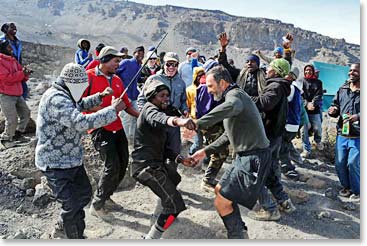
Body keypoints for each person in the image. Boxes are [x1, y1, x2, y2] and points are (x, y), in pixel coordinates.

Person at [35, 62, 127, 239]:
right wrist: (112, 110)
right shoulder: (56, 99)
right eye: (81, 86)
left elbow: (80, 104)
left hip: (71, 160)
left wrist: (100, 96)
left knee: (84, 195)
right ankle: (73, 236)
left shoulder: (65, 93)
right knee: (72, 205)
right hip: (55, 163)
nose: (83, 89)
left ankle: (64, 227)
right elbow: (80, 122)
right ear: (72, 83)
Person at [191, 65, 272, 239]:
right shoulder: (233, 97)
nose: (210, 91)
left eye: (211, 86)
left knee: (222, 201)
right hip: (246, 156)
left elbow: (232, 106)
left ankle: (238, 236)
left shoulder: (234, 97)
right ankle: (239, 232)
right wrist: (204, 151)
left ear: (222, 83)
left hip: (253, 157)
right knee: (219, 191)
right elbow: (228, 135)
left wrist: (196, 124)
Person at [131, 80, 196, 239]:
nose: (166, 98)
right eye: (161, 96)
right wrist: (180, 121)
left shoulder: (159, 112)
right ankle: (152, 238)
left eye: (167, 95)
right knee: (175, 205)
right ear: (152, 97)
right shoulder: (149, 110)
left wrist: (181, 159)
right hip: (145, 167)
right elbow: (160, 118)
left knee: (174, 177)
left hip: (156, 164)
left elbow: (165, 149)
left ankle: (158, 215)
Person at [83, 46, 140, 221]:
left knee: (123, 163)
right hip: (100, 128)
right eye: (116, 61)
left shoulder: (117, 80)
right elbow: (81, 104)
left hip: (117, 126)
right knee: (112, 165)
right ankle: (97, 204)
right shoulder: (89, 76)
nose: (119, 64)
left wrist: (144, 117)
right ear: (105, 60)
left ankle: (106, 196)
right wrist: (108, 109)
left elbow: (127, 105)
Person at [247, 58, 296, 221]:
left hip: (267, 137)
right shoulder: (281, 86)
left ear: (276, 71)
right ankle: (284, 201)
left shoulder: (275, 86)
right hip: (275, 137)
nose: (266, 69)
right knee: (270, 172)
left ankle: (269, 209)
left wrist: (244, 97)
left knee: (256, 171)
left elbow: (264, 103)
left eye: (270, 67)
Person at [137, 52, 188, 170]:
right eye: (168, 64)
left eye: (174, 65)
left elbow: (183, 101)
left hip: (174, 123)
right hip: (157, 123)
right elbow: (141, 100)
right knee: (157, 152)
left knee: (174, 152)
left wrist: (185, 110)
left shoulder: (181, 82)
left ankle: (171, 182)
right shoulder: (153, 79)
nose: (171, 67)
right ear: (163, 64)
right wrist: (147, 117)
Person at [328, 63, 360, 200]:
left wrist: (358, 117)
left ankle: (358, 191)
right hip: (342, 133)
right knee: (340, 163)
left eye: (355, 71)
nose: (351, 73)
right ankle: (346, 187)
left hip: (359, 135)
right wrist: (333, 110)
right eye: (350, 70)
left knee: (353, 163)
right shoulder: (343, 89)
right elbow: (335, 104)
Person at [0, 39, 31, 149]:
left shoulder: (13, 60)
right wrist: (22, 73)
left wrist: (25, 73)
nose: (11, 49)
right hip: (6, 94)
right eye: (8, 47)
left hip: (17, 93)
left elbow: (20, 76)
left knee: (26, 113)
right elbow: (6, 78)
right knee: (11, 118)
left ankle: (18, 134)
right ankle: (6, 139)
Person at [217, 32, 266, 97]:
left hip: (258, 105)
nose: (249, 63)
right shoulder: (239, 74)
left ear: (258, 64)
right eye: (247, 61)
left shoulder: (265, 76)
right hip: (242, 103)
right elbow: (224, 66)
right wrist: (223, 49)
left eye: (252, 61)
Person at [116, 45, 145, 143]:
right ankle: (124, 139)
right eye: (138, 53)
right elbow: (115, 73)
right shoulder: (126, 62)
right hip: (125, 96)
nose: (140, 55)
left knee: (136, 116)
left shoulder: (140, 66)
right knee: (126, 118)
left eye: (142, 53)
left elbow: (137, 79)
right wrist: (118, 87)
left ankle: (132, 139)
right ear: (134, 54)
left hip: (134, 96)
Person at [279, 67, 303, 179]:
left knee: (282, 148)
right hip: (293, 124)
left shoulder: (291, 88)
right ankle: (295, 162)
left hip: (288, 123)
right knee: (286, 146)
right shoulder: (297, 88)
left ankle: (288, 170)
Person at [300, 64, 324, 158]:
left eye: (310, 70)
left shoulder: (318, 82)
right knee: (303, 130)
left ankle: (317, 140)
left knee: (317, 127)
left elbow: (319, 94)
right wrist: (306, 104)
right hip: (304, 110)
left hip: (315, 109)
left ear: (313, 71)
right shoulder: (301, 81)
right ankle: (306, 149)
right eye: (306, 70)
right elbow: (300, 95)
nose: (308, 72)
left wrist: (313, 104)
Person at [1, 22, 28, 99]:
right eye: (11, 27)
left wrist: (21, 68)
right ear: (6, 29)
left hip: (17, 68)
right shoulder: (2, 41)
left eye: (15, 27)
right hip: (6, 70)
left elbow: (19, 56)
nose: (14, 29)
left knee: (23, 90)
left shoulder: (18, 41)